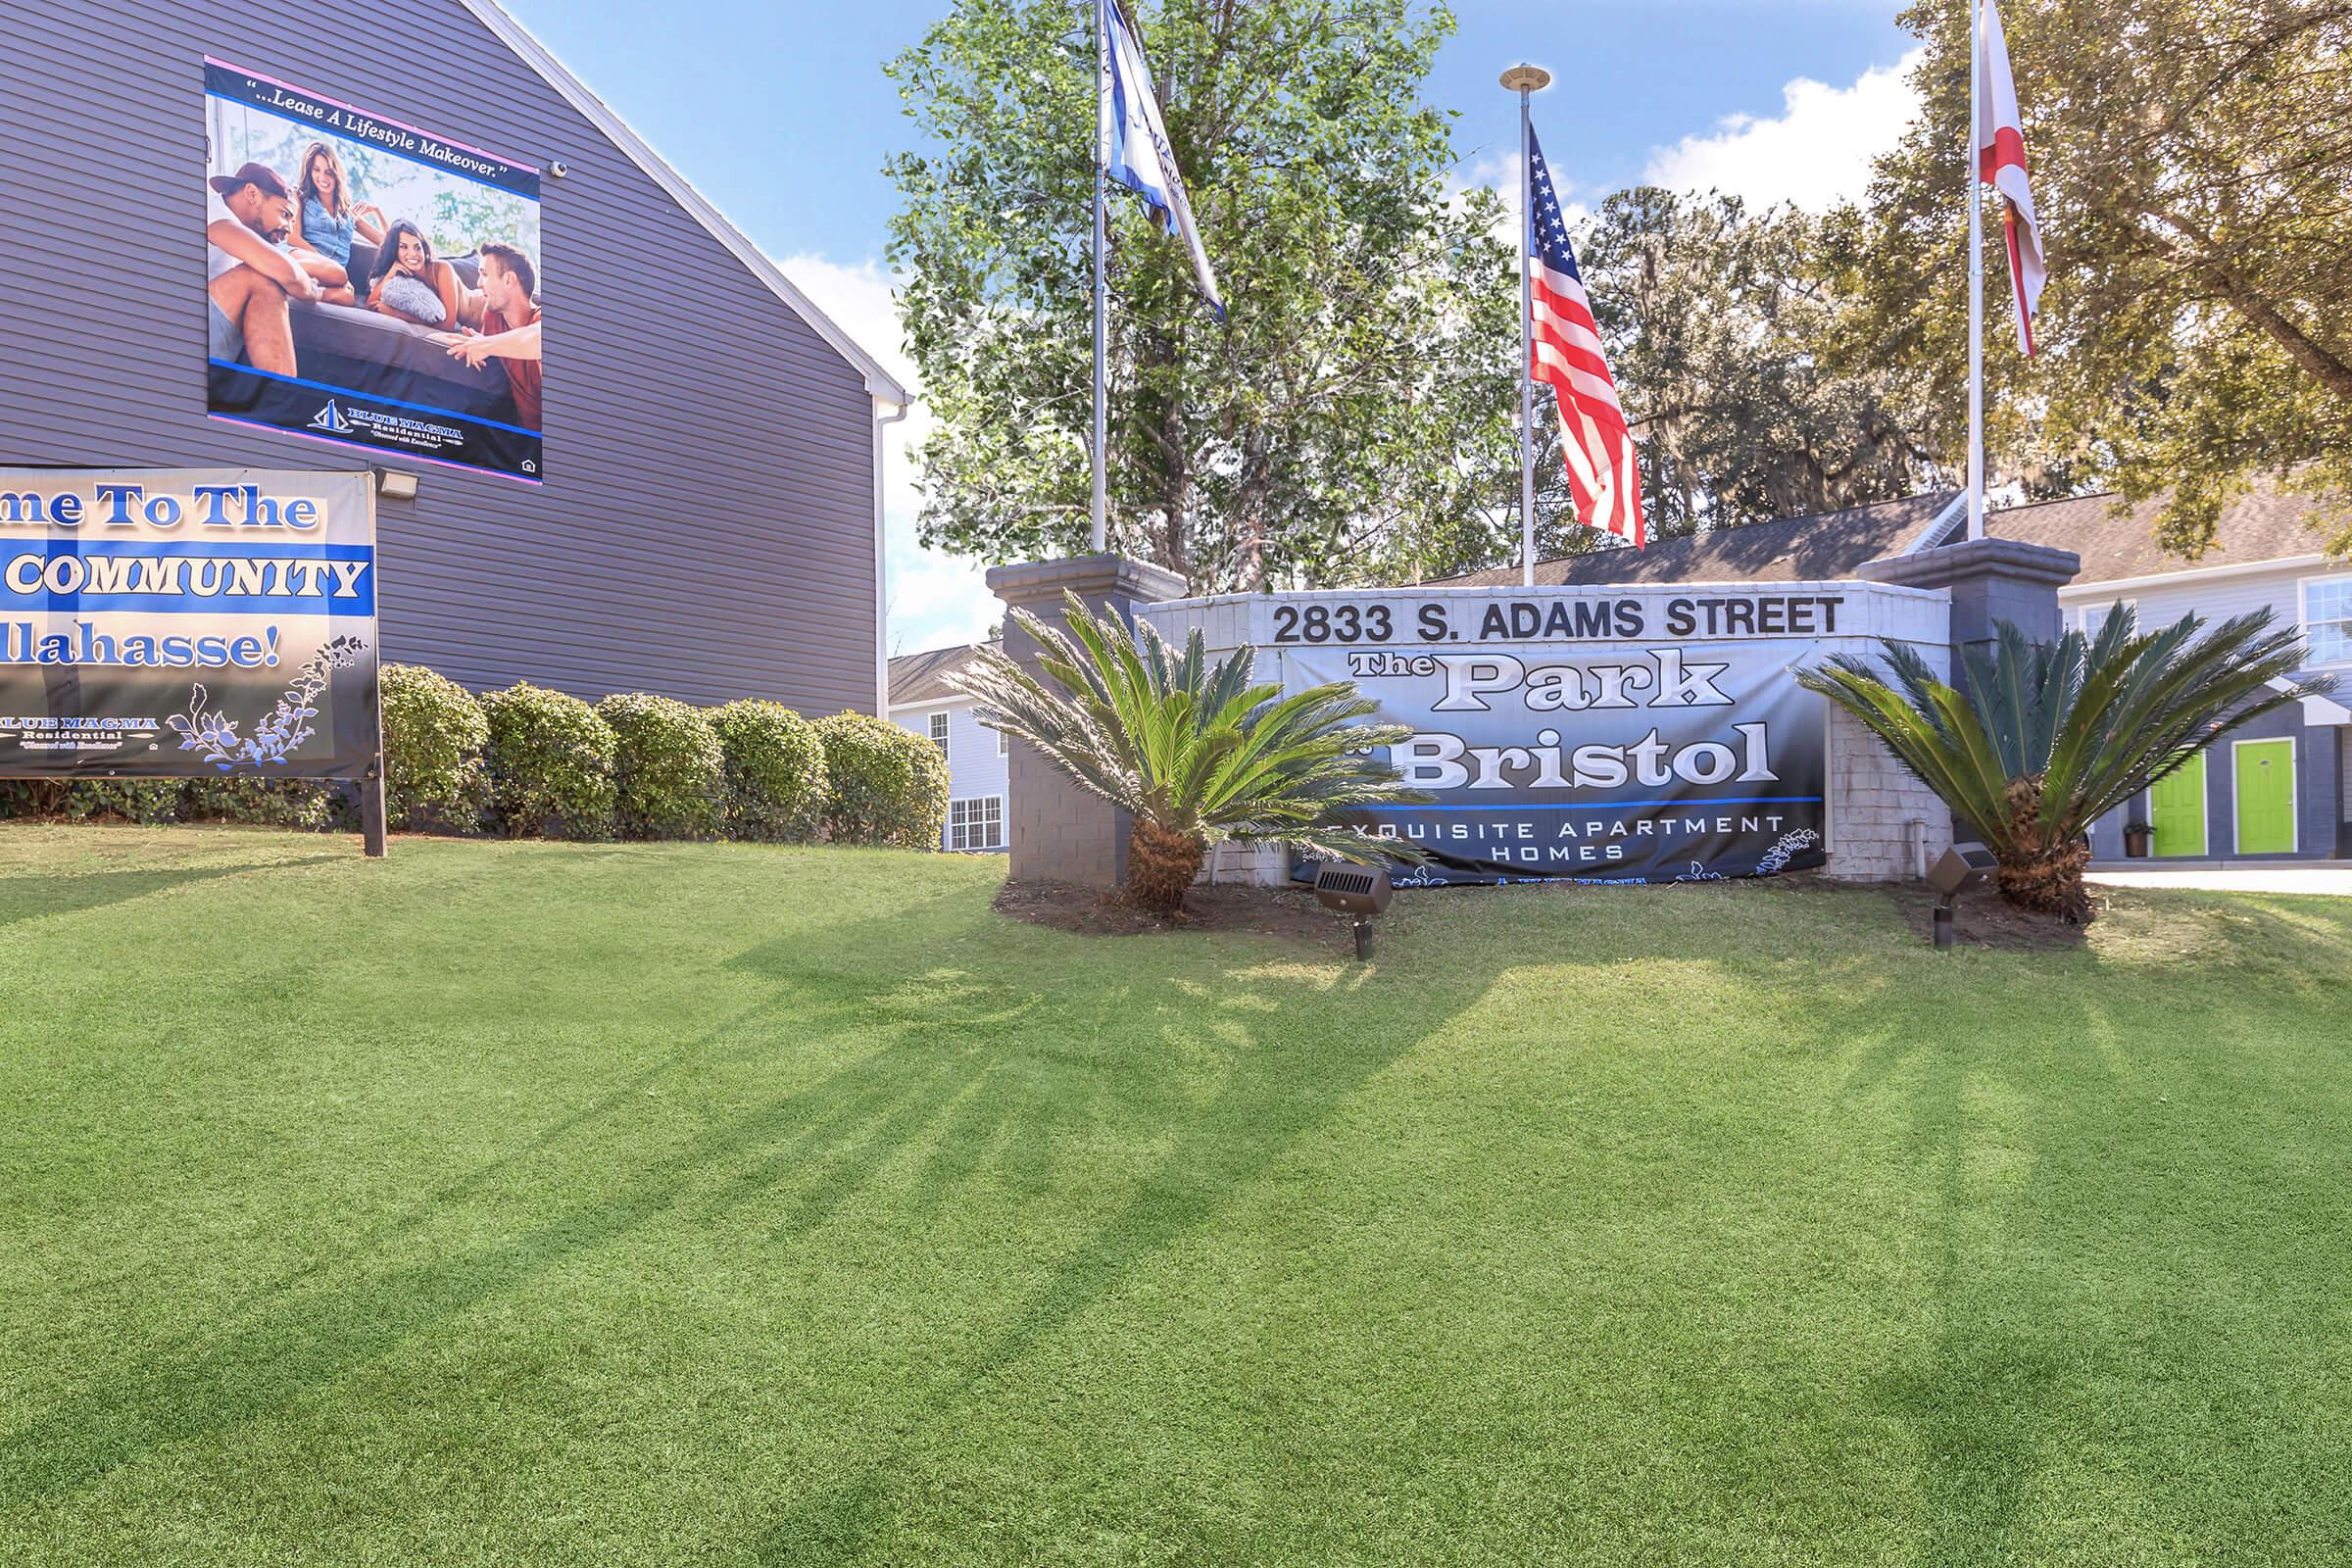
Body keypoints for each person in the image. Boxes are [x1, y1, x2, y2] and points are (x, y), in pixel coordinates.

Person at [206, 162, 321, 376]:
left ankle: (277, 396)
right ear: (252, 193)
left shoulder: (235, 233)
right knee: (260, 276)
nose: (288, 228)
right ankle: (282, 400)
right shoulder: (212, 211)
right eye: (285, 214)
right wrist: (311, 290)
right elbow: (286, 272)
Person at [448, 242, 542, 428]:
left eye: (484, 274)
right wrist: (480, 344)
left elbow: (540, 341)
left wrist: (485, 345)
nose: (478, 283)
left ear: (508, 280)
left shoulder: (540, 319)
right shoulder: (492, 317)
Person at [288, 139, 384, 304]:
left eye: (329, 172)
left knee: (347, 296)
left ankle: (301, 290)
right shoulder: (301, 198)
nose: (322, 177)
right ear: (309, 172)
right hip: (307, 260)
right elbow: (292, 238)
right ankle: (287, 276)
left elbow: (386, 241)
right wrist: (325, 263)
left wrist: (377, 212)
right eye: (316, 170)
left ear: (337, 174)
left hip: (333, 278)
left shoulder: (348, 214)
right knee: (339, 274)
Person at [366, 220, 463, 329]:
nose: (413, 254)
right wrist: (389, 275)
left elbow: (448, 325)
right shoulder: (403, 278)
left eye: (417, 247)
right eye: (403, 247)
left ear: (424, 249)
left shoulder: (442, 269)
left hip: (478, 314)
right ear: (394, 251)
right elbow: (371, 303)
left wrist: (396, 314)